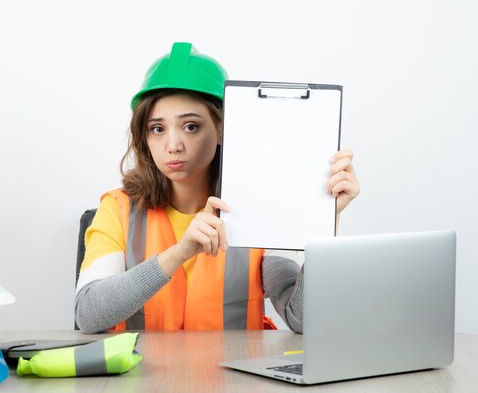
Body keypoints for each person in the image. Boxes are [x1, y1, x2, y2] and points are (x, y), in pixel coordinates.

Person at [75, 42, 360, 334]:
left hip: (235, 376)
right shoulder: (118, 208)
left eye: (191, 126)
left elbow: (300, 318)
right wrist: (180, 252)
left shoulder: (263, 208)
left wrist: (325, 219)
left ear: (222, 128)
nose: (173, 145)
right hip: (141, 377)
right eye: (157, 129)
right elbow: (88, 315)